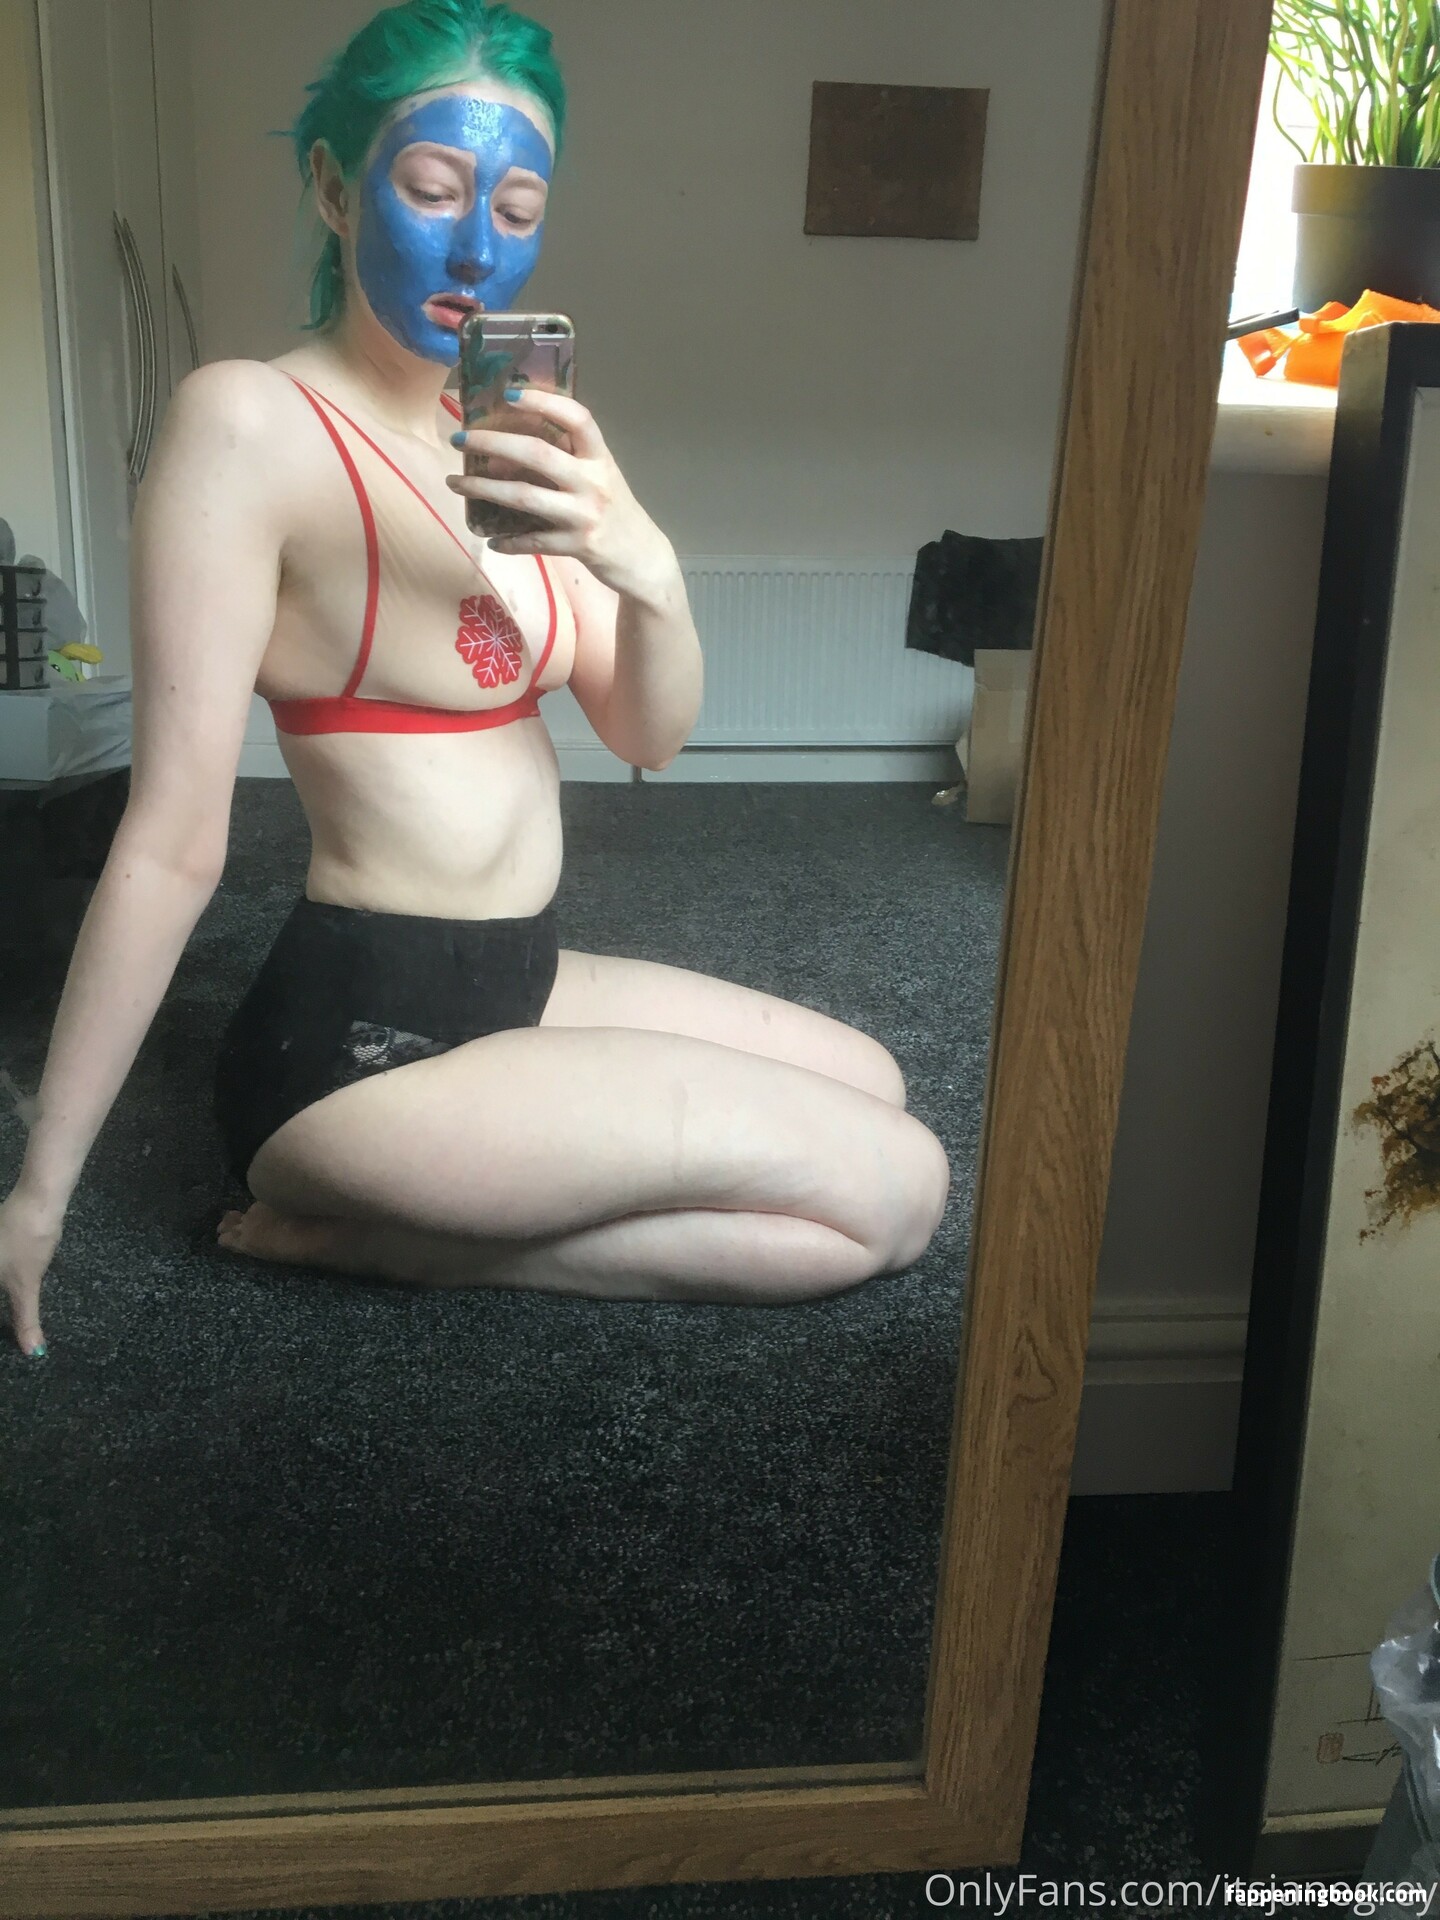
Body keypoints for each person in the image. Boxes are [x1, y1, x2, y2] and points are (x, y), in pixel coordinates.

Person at [0, 0, 950, 1358]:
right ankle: (387, 1238)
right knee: (895, 1195)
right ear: (335, 187)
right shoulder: (251, 425)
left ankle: (420, 1224)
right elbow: (170, 843)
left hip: (521, 971)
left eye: (515, 206)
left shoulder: (504, 429)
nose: (474, 248)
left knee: (880, 1081)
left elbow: (650, 733)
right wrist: (40, 1191)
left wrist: (646, 563)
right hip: (363, 1042)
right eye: (433, 189)